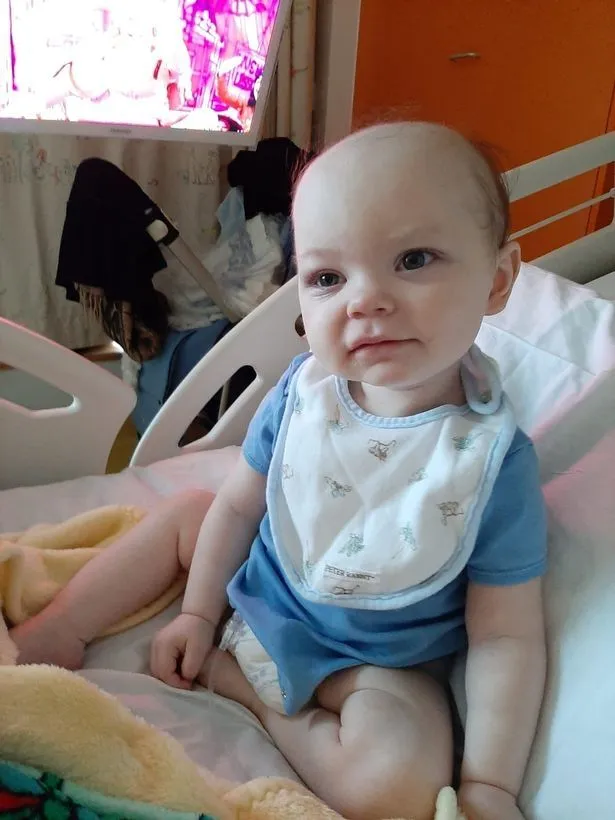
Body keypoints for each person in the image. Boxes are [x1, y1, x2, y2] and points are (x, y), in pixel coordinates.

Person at [10, 122, 547, 820]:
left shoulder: (491, 462)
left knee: (397, 786)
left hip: (374, 664)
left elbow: (505, 636)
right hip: (256, 590)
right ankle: (60, 626)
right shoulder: (303, 395)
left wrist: (489, 785)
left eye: (413, 259)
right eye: (327, 278)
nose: (364, 299)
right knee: (190, 512)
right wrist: (199, 611)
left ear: (497, 281)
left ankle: (247, 693)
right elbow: (239, 507)